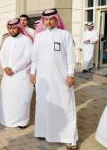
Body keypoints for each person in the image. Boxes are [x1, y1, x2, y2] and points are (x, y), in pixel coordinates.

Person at [30, 8, 78, 150]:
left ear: (57, 20)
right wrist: (33, 73)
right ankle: (44, 131)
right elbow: (35, 57)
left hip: (61, 78)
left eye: (51, 19)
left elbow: (70, 56)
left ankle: (70, 138)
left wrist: (71, 74)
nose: (48, 21)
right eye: (45, 19)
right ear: (43, 21)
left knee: (66, 105)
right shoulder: (39, 36)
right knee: (44, 104)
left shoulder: (65, 35)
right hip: (44, 79)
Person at [0, 18, 33, 128]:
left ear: (19, 27)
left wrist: (14, 68)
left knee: (21, 99)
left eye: (14, 28)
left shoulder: (26, 40)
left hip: (21, 75)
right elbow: (1, 55)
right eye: (10, 28)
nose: (12, 30)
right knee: (8, 98)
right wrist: (4, 67)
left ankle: (22, 122)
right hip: (7, 75)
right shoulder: (7, 40)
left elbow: (28, 57)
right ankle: (7, 119)